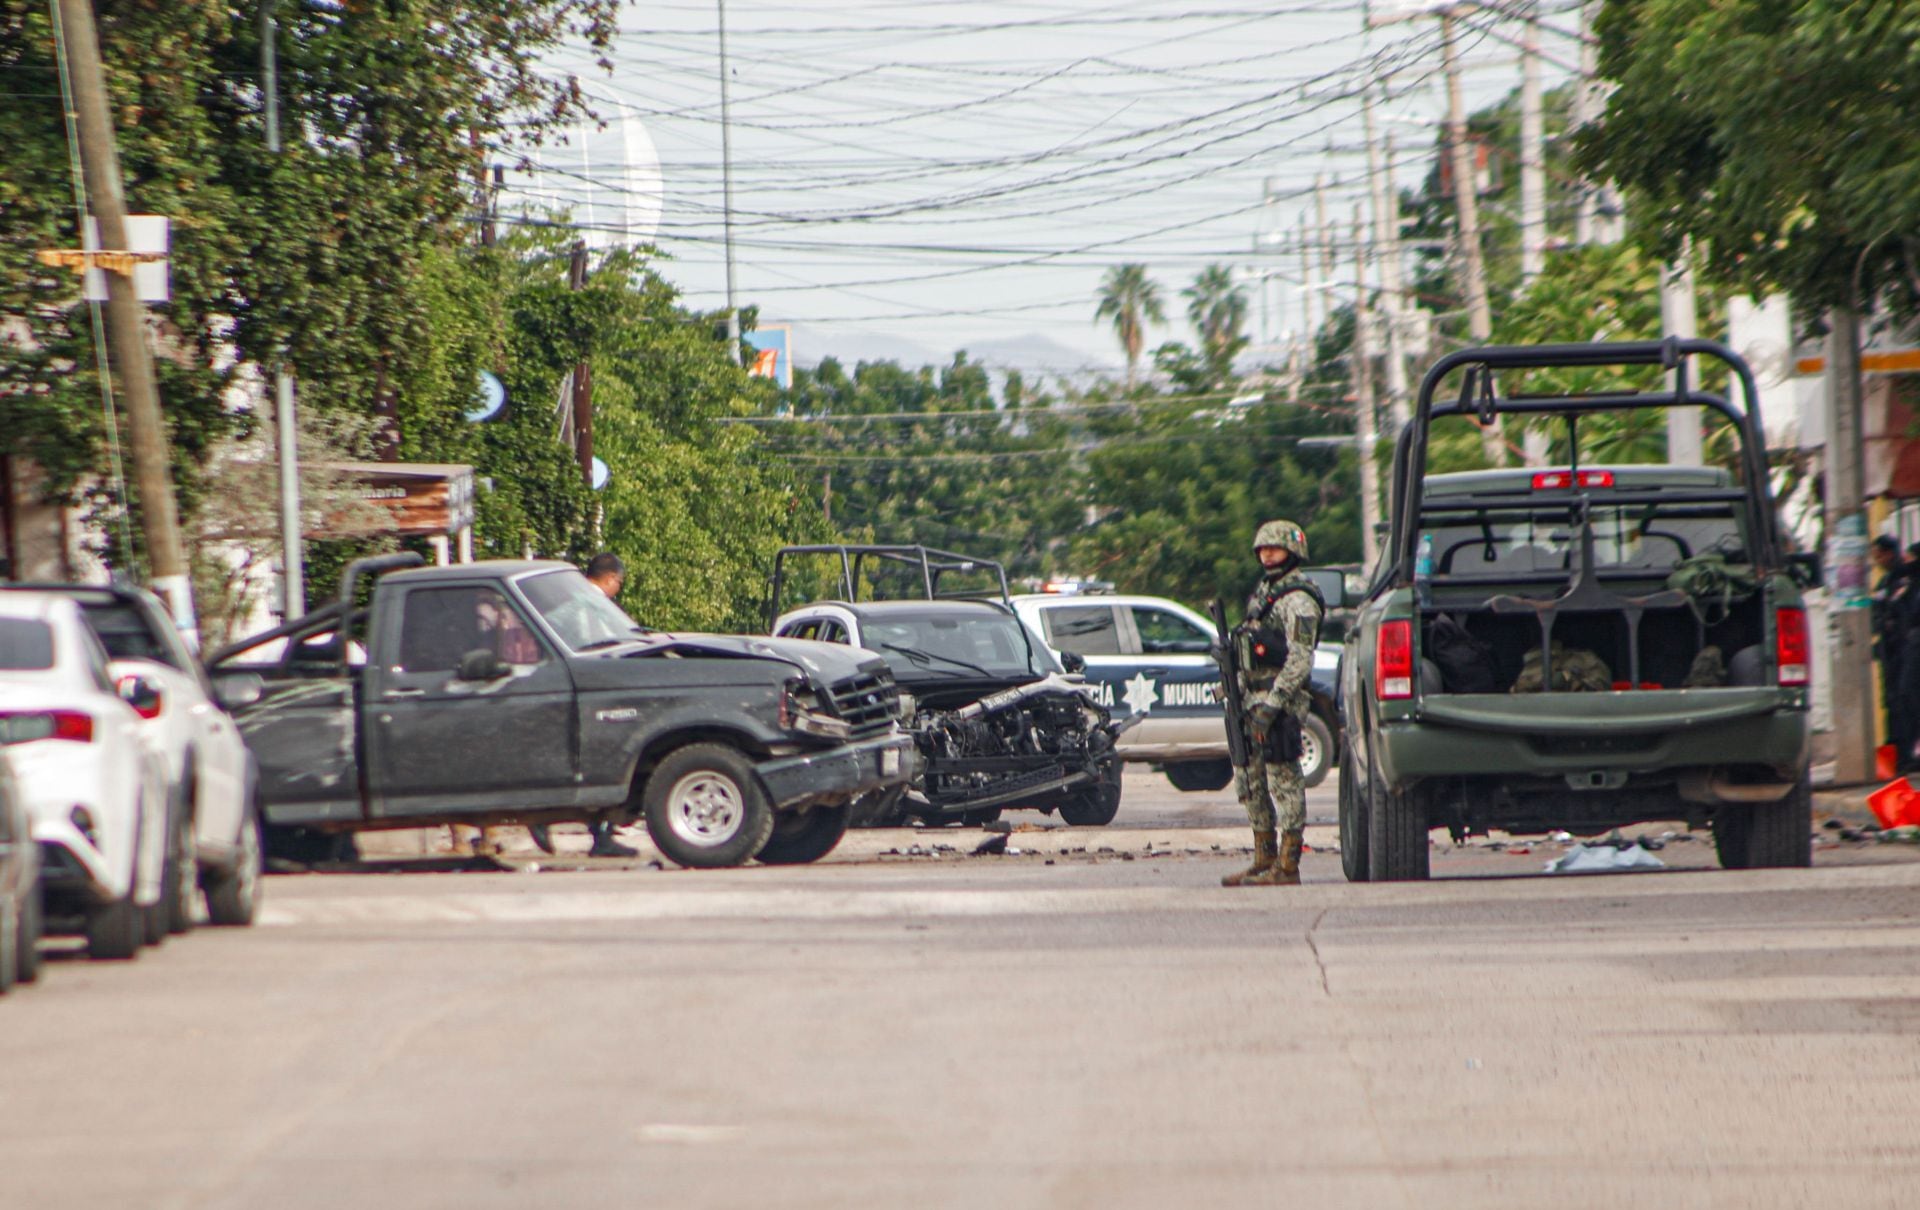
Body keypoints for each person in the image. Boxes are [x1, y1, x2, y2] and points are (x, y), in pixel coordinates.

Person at [1222, 519, 1324, 888]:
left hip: (1280, 704)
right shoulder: (1264, 593)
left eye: (1275, 548)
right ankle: (1263, 858)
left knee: (1284, 780)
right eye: (1262, 549)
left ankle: (1287, 865)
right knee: (1249, 780)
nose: (1267, 554)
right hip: (1251, 699)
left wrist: (1275, 704)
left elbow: (1300, 659)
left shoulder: (1299, 600)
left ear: (1292, 551)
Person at [527, 552, 641, 859]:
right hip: (592, 691)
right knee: (606, 760)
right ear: (611, 579)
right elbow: (621, 642)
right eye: (619, 583)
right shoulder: (594, 602)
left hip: (574, 688)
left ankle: (592, 831)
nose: (618, 588)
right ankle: (575, 827)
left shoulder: (570, 598)